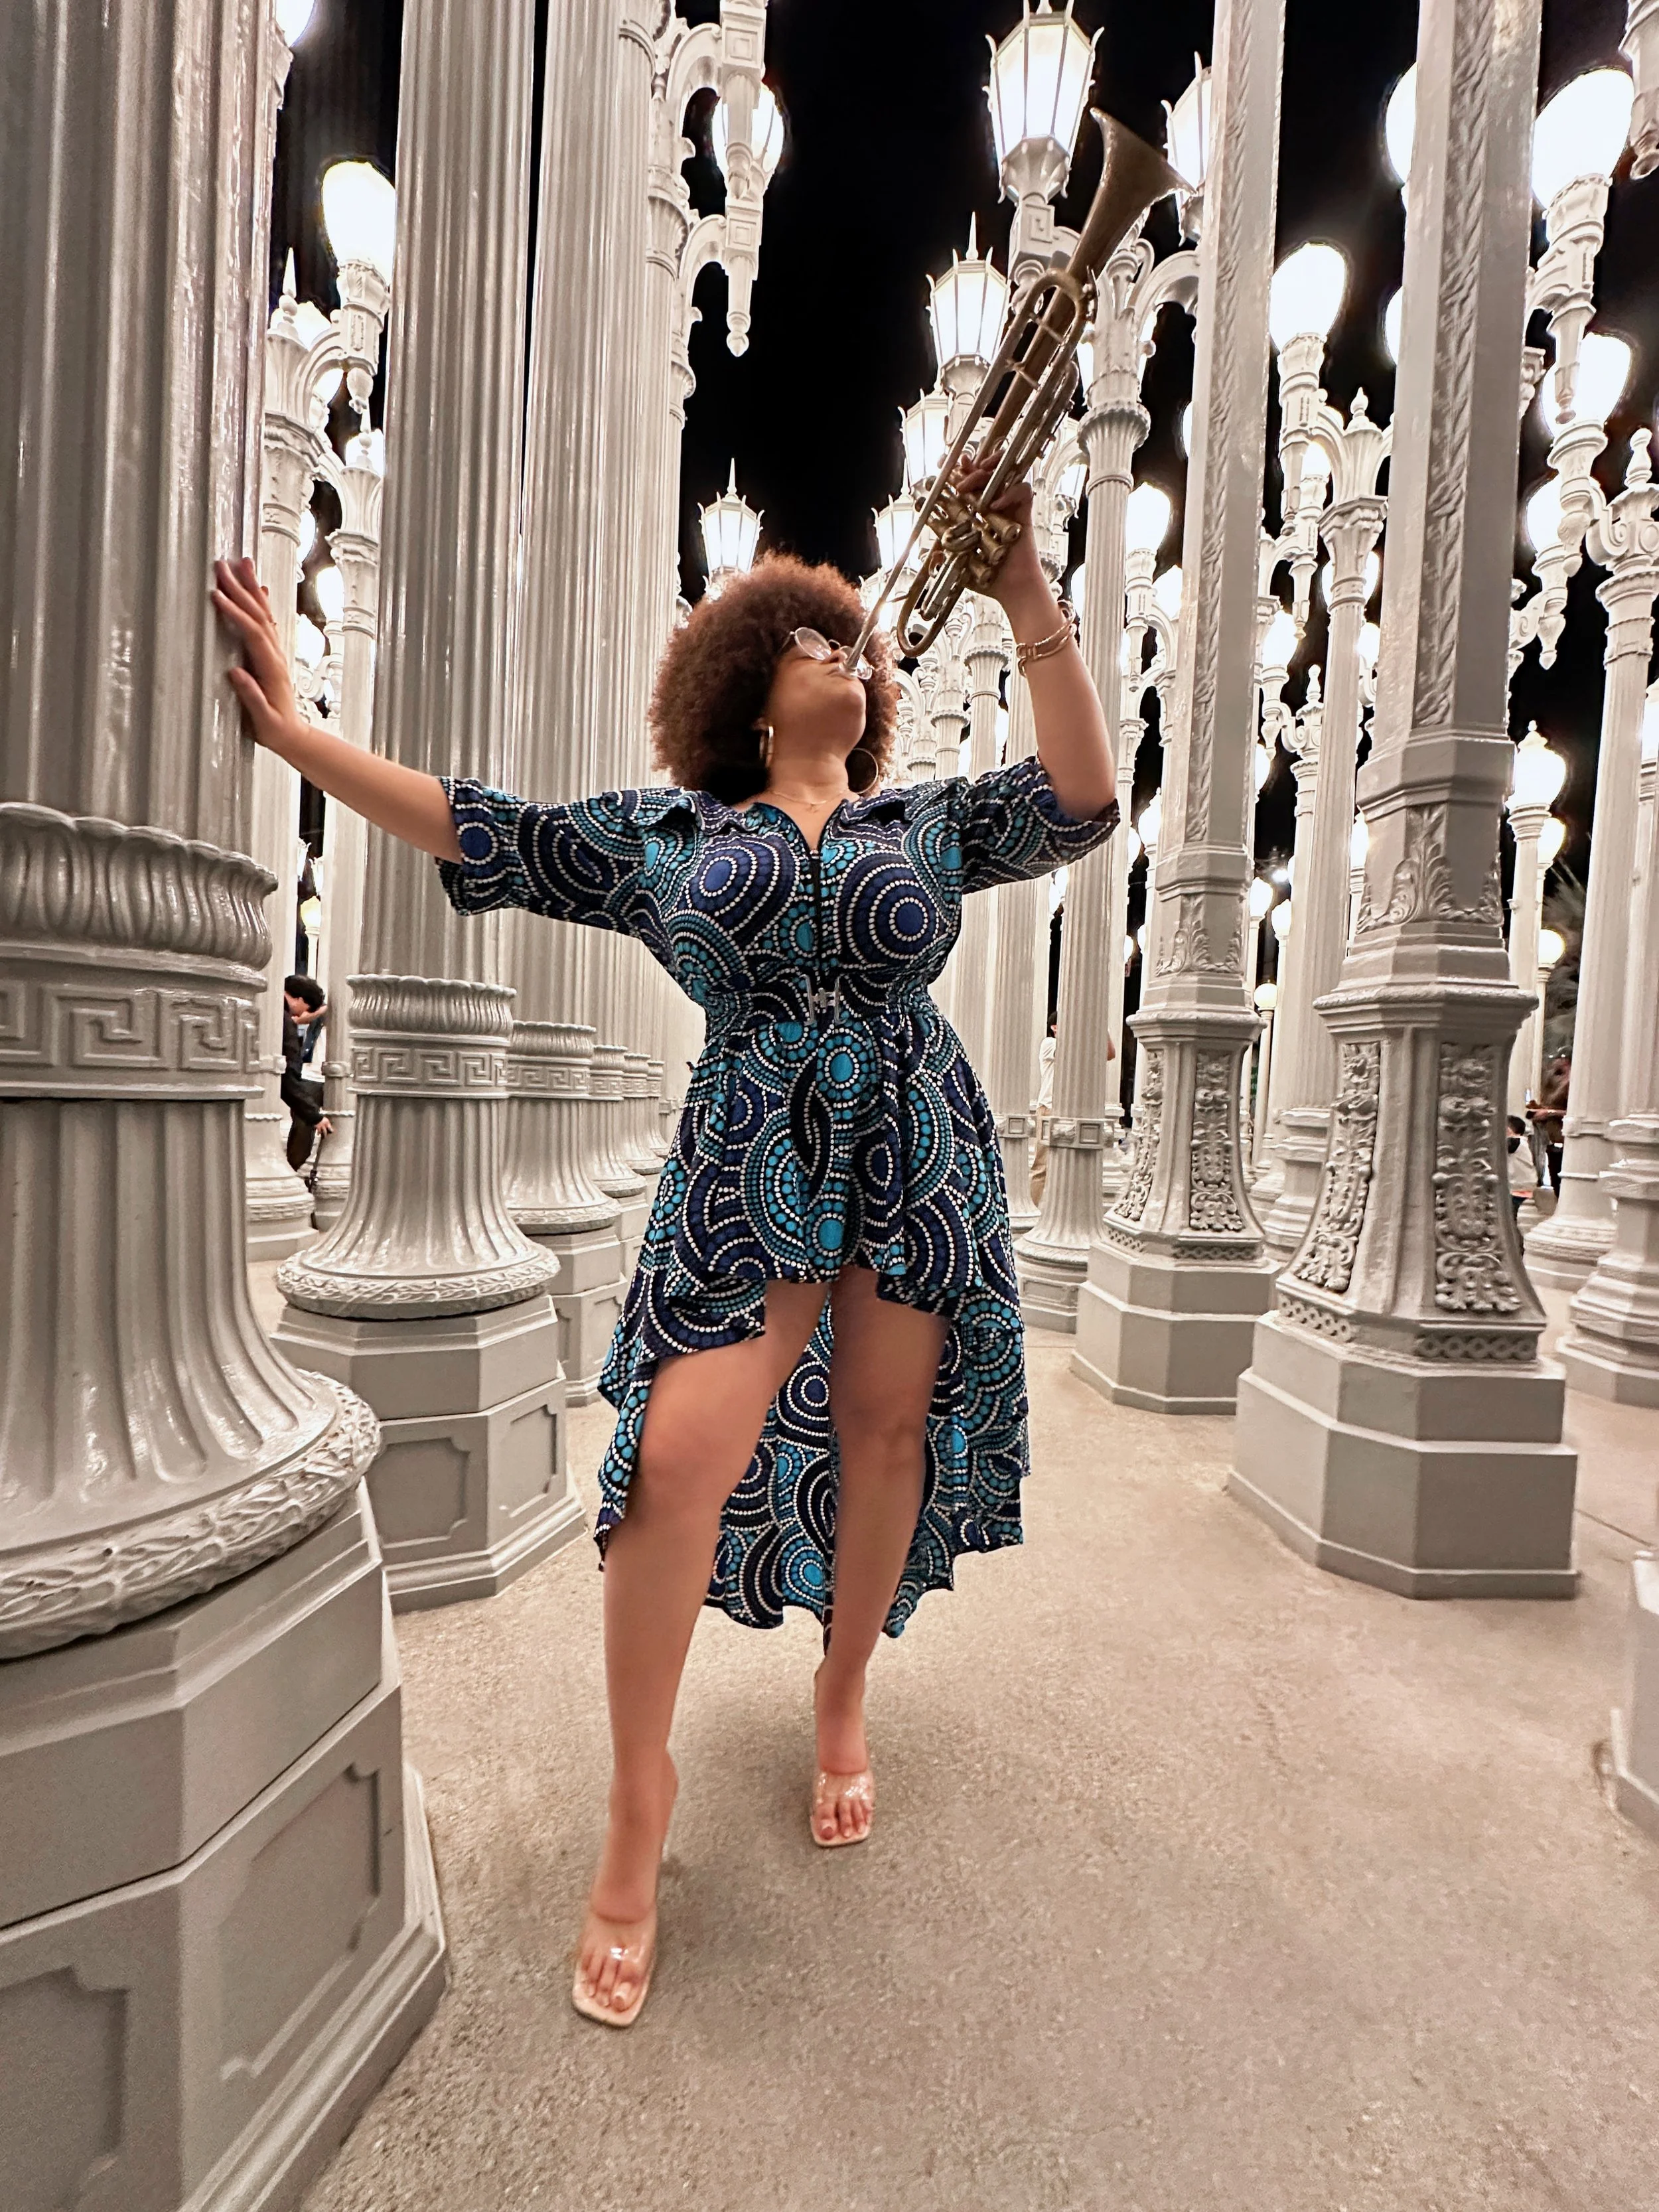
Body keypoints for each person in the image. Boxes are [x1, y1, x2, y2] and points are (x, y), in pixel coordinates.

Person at [211, 461, 1118, 2030]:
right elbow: (479, 827)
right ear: (754, 682)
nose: (854, 651)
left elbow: (1087, 797)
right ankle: (642, 1796)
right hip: (748, 1145)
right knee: (674, 1464)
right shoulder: (669, 836)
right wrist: (297, 737)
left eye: (860, 641)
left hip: (910, 1137)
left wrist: (1030, 588)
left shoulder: (930, 821)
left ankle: (842, 1694)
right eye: (821, 637)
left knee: (887, 1427)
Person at [281, 974, 331, 1171]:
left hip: (334, 1076)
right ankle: (292, 1166)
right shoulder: (295, 1018)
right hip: (312, 1074)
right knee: (303, 1122)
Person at [1530, 1052, 1571, 1193]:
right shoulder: (1553, 1083)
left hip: (1566, 1138)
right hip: (1551, 1139)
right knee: (1555, 1180)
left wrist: (1549, 1113)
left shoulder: (1572, 1085)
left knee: (1562, 1182)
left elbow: (1573, 1112)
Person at [1506, 1113, 1535, 1222]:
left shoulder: (1515, 1142)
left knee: (1510, 1220)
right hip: (1520, 1188)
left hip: (1518, 1190)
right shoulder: (1522, 1143)